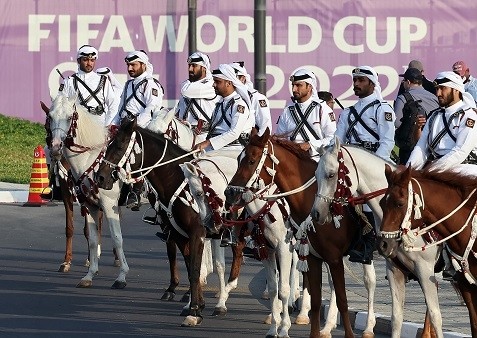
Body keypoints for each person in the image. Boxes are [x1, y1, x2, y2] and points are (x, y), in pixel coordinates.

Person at [406, 71, 477, 280]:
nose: (438, 93)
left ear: (455, 90)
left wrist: (431, 172)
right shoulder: (435, 116)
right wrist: (408, 172)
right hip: (437, 174)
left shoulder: (469, 115)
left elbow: (461, 151)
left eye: (442, 89)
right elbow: (421, 148)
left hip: (466, 172)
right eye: (436, 88)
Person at [335, 65, 396, 264]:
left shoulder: (382, 108)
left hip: (373, 162)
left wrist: (373, 166)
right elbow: (338, 141)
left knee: (372, 199)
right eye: (355, 81)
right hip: (351, 164)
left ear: (372, 83)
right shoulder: (348, 112)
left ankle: (369, 243)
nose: (356, 84)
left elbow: (387, 142)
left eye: (361, 81)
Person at [193, 63, 255, 246]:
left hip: (235, 150)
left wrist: (207, 143)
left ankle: (226, 224)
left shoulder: (239, 104)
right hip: (218, 148)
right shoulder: (220, 103)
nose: (214, 85)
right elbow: (216, 128)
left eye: (217, 82)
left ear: (229, 83)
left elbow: (234, 133)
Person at [118, 50, 164, 210]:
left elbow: (152, 107)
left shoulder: (151, 84)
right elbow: (121, 108)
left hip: (143, 128)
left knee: (136, 154)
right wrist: (113, 124)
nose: (130, 68)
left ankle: (136, 191)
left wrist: (136, 125)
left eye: (133, 65)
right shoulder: (128, 84)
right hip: (125, 126)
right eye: (128, 65)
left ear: (143, 65)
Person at [276, 68, 336, 160]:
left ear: (310, 86)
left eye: (298, 85)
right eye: (293, 85)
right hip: (292, 161)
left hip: (316, 161)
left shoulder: (322, 108)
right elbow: (280, 138)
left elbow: (332, 139)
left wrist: (310, 145)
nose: (294, 89)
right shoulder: (287, 110)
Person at [58, 45, 120, 127]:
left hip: (100, 126)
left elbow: (113, 104)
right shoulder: (68, 82)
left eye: (92, 60)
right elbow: (61, 106)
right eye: (85, 60)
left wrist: (108, 125)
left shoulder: (103, 80)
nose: (89, 63)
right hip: (77, 127)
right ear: (78, 61)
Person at [394, 67, 440, 164]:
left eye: (404, 81)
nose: (403, 83)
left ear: (409, 82)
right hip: (432, 145)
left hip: (410, 146)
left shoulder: (403, 97)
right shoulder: (433, 97)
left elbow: (397, 123)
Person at [176, 52, 219, 141]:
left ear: (204, 68)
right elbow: (179, 111)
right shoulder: (191, 86)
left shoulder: (210, 84)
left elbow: (185, 90)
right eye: (189, 66)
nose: (190, 69)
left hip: (204, 137)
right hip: (185, 135)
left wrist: (188, 82)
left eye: (194, 66)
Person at [230, 61, 272, 136]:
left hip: (248, 143)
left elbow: (265, 126)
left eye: (233, 78)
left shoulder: (256, 97)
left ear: (243, 78)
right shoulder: (225, 98)